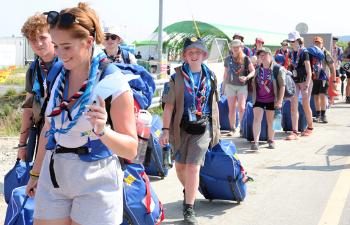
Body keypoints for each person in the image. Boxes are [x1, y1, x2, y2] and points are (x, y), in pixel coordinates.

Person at [25, 3, 138, 225]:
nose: (59, 54)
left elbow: (131, 149)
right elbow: (49, 128)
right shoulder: (58, 73)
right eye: (56, 46)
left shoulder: (113, 82)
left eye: (66, 47)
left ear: (88, 42)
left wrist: (103, 131)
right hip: (55, 170)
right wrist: (36, 173)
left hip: (97, 177)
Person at [159, 37, 220, 225]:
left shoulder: (210, 76)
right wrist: (165, 131)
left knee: (193, 167)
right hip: (181, 126)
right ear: (185, 56)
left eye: (198, 52)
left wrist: (217, 128)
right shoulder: (175, 78)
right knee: (180, 166)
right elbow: (168, 107)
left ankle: (189, 208)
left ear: (204, 55)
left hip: (202, 126)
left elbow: (214, 103)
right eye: (190, 52)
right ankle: (190, 192)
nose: (194, 55)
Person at [17, 13, 59, 161]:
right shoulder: (34, 69)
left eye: (43, 37)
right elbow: (28, 109)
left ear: (53, 36)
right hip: (42, 134)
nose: (38, 43)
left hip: (66, 137)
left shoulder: (68, 63)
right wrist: (22, 144)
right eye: (33, 40)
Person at [250, 47, 285, 150]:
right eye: (260, 55)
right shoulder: (257, 69)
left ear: (270, 55)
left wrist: (280, 101)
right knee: (257, 119)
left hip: (272, 100)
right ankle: (255, 142)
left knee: (271, 121)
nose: (262, 57)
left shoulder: (277, 69)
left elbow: (282, 85)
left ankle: (271, 140)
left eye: (264, 54)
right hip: (259, 99)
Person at [222, 39, 255, 135]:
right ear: (231, 48)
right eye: (233, 47)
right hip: (230, 86)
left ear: (241, 47)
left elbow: (253, 71)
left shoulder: (246, 58)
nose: (235, 48)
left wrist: (246, 77)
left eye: (237, 47)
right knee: (231, 108)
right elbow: (225, 74)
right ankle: (232, 129)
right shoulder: (227, 59)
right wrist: (223, 87)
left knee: (241, 107)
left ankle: (242, 129)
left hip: (242, 86)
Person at [286, 31, 313, 140]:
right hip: (295, 81)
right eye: (290, 41)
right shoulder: (291, 52)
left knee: (306, 105)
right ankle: (294, 132)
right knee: (293, 106)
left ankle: (310, 128)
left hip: (305, 81)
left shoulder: (304, 52)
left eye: (293, 41)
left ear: (297, 40)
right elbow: (291, 67)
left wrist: (306, 84)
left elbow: (309, 71)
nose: (291, 43)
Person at [311, 36, 336, 123]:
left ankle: (323, 115)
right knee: (315, 96)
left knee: (322, 95)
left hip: (324, 78)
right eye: (316, 42)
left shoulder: (326, 52)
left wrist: (334, 79)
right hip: (314, 78)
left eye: (319, 43)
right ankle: (318, 115)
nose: (317, 44)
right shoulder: (312, 52)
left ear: (322, 43)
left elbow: (332, 66)